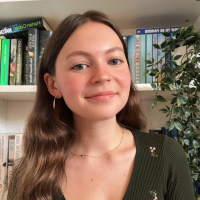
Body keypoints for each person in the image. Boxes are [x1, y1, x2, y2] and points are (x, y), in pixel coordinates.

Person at [7, 10, 195, 200]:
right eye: (80, 65)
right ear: (53, 85)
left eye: (114, 61)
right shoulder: (28, 175)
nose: (103, 75)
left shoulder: (167, 156)